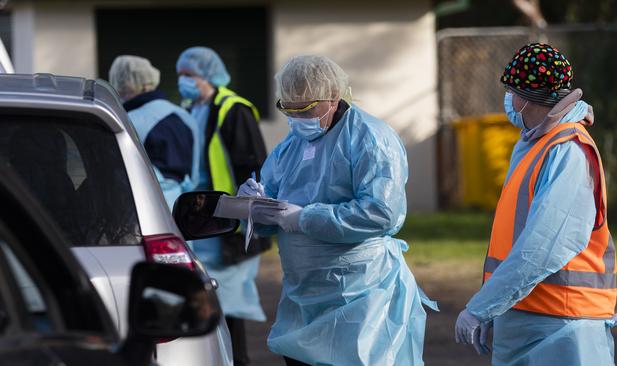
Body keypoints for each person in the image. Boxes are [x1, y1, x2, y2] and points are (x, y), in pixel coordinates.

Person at [237, 54, 437, 366]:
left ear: (333, 97)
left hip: (359, 296)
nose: (297, 117)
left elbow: (380, 212)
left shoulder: (371, 138)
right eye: (288, 108)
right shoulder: (292, 144)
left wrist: (305, 218)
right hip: (303, 296)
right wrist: (255, 206)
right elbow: (275, 197)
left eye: (305, 108)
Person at [455, 43, 617, 365]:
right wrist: (497, 306)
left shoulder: (567, 149)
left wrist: (483, 306)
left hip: (563, 327)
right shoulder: (537, 143)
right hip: (536, 321)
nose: (509, 101)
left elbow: (544, 246)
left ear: (525, 97)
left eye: (511, 91)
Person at [176, 46, 270, 366]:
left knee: (229, 300)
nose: (183, 81)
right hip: (204, 216)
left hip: (230, 218)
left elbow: (253, 165)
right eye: (181, 76)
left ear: (207, 75)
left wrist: (247, 210)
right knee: (208, 296)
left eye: (189, 75)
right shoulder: (191, 108)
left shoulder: (232, 109)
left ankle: (237, 359)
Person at [109, 55, 199, 209]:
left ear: (128, 83)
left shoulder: (129, 120)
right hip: (184, 211)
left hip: (146, 213)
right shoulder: (183, 115)